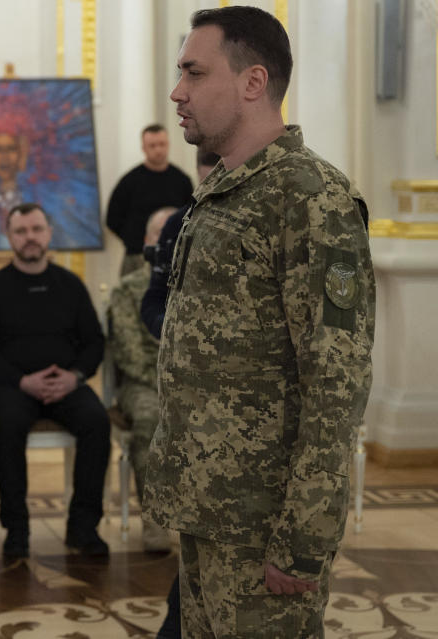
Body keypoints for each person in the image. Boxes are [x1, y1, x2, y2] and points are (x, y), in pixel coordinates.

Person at [143, 7, 375, 637]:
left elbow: (336, 382)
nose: (177, 91)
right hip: (208, 509)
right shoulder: (224, 193)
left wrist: (304, 536)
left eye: (194, 72)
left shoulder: (310, 196)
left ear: (252, 81)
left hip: (262, 522)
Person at [0, 203, 111, 560]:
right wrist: (21, 381)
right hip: (13, 386)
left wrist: (74, 376)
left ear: (49, 233)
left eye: (36, 229)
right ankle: (17, 530)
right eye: (21, 231)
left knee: (97, 422)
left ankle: (83, 527)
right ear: (10, 237)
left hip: (65, 383)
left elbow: (94, 341)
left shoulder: (71, 285)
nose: (29, 238)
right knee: (9, 425)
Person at [137, 149, 219, 639]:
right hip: (188, 407)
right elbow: (153, 301)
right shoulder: (177, 226)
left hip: (248, 419)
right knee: (195, 549)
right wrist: (178, 332)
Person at [107, 206, 174, 553]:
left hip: (192, 384)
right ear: (148, 241)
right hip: (143, 384)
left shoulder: (199, 284)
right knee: (149, 417)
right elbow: (129, 354)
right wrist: (169, 383)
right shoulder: (128, 290)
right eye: (158, 234)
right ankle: (155, 519)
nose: (166, 241)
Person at [140, 150, 220, 340]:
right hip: (185, 350)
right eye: (207, 183)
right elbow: (155, 296)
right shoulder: (177, 224)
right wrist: (169, 328)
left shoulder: (257, 217)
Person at [104, 124, 193, 274]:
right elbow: (112, 219)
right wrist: (134, 239)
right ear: (143, 148)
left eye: (162, 144)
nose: (158, 150)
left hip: (174, 255)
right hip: (137, 256)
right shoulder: (129, 181)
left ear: (168, 145)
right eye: (152, 145)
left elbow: (191, 215)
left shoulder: (182, 180)